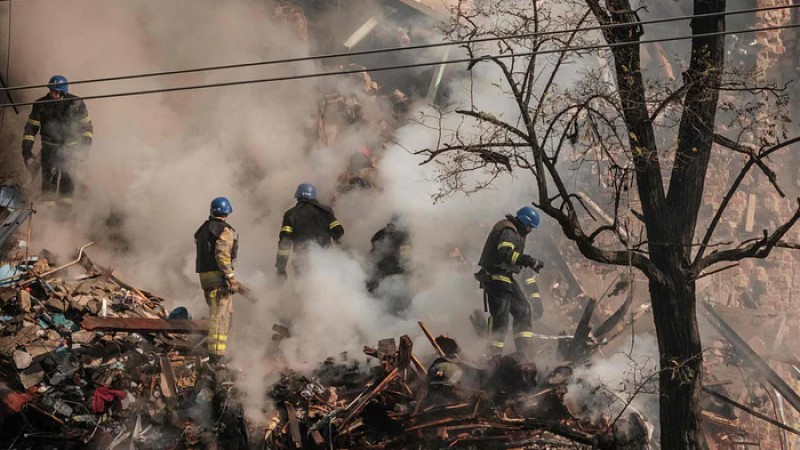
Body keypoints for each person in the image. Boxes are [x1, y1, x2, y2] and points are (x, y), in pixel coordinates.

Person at [475, 205, 545, 357]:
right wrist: (528, 260)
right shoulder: (508, 231)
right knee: (501, 316)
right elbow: (505, 254)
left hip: (505, 277)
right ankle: (493, 355)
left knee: (523, 310)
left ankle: (522, 353)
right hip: (495, 276)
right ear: (525, 222)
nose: (530, 231)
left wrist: (529, 264)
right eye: (530, 227)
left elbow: (517, 265)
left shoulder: (515, 232)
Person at [21, 75, 93, 206]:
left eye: (56, 91)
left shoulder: (76, 103)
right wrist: (26, 150)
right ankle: (49, 216)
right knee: (49, 184)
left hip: (71, 150)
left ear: (63, 91)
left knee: (68, 182)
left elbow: (87, 128)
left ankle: (64, 214)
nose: (53, 93)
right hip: (50, 150)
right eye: (51, 90)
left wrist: (84, 148)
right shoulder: (40, 104)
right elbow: (31, 129)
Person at [194, 197, 239, 363]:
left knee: (215, 314)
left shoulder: (202, 229)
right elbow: (222, 255)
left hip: (205, 279)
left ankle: (215, 354)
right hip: (218, 280)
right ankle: (217, 356)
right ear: (227, 212)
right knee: (221, 317)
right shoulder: (224, 231)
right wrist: (230, 276)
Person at [276, 183, 344, 277]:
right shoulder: (326, 212)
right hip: (326, 258)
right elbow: (338, 232)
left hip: (302, 261)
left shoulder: (290, 214)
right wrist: (342, 256)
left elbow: (284, 243)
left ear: (298, 197)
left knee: (304, 287)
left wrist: (281, 268)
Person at [366, 213, 412, 313]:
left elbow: (373, 256)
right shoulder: (404, 236)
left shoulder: (379, 234)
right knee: (400, 307)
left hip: (381, 276)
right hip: (397, 276)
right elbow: (405, 258)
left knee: (381, 306)